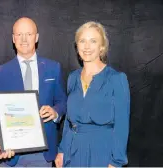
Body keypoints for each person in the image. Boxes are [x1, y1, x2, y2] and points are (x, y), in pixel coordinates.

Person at [0, 17, 67, 167]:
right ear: (13, 38)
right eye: (19, 35)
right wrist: (3, 140)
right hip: (11, 155)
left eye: (29, 34)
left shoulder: (53, 68)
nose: (24, 39)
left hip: (43, 152)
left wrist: (55, 111)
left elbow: (62, 101)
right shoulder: (1, 72)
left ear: (36, 37)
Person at [55, 21, 130, 167]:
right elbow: (69, 123)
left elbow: (122, 125)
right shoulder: (72, 77)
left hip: (102, 153)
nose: (87, 46)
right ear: (77, 46)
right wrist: (62, 150)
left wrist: (116, 162)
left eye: (93, 41)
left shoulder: (116, 79)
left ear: (102, 47)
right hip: (73, 153)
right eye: (82, 41)